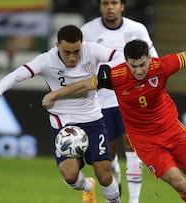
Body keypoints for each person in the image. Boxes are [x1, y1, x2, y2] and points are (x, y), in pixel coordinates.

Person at [42, 32, 186, 203]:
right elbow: (83, 85)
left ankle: (173, 161)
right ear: (126, 62)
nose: (139, 70)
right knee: (179, 182)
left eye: (142, 64)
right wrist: (55, 94)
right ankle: (171, 171)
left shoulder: (162, 66)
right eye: (134, 66)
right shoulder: (116, 76)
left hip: (171, 129)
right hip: (145, 141)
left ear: (149, 58)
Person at [0, 25, 123, 203]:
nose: (73, 57)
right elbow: (18, 74)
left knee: (104, 174)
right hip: (63, 123)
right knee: (70, 176)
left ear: (82, 44)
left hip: (92, 119)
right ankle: (88, 188)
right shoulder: (47, 60)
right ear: (57, 45)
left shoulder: (92, 50)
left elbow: (120, 56)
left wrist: (106, 66)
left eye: (77, 51)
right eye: (67, 52)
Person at [80, 0, 158, 202]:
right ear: (100, 7)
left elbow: (154, 60)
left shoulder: (137, 29)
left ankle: (133, 200)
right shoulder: (87, 31)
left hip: (131, 100)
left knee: (132, 148)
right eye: (105, 3)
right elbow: (80, 66)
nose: (110, 7)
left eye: (114, 2)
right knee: (108, 155)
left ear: (122, 6)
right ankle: (115, 180)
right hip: (101, 101)